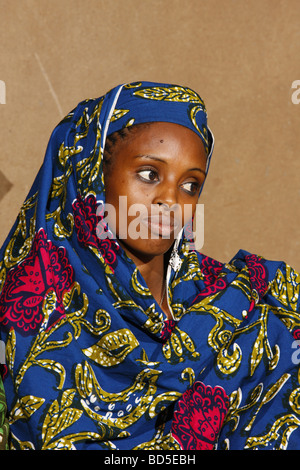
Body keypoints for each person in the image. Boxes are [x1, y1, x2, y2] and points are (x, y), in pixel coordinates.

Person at [0, 81, 300, 451]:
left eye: (191, 185)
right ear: (93, 172)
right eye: (149, 174)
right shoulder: (25, 317)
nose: (170, 201)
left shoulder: (255, 307)